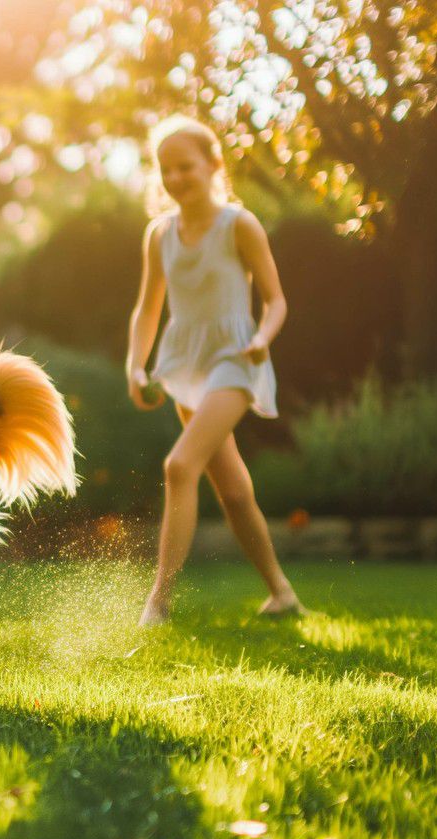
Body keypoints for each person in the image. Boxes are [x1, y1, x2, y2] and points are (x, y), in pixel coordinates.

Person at [125, 116, 303, 626]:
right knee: (234, 491)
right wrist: (137, 368)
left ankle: (157, 603)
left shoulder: (238, 225)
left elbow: (275, 300)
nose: (176, 178)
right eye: (166, 169)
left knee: (180, 467)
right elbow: (147, 309)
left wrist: (262, 339)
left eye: (185, 166)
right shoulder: (159, 233)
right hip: (185, 364)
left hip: (236, 360)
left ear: (213, 164)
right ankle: (282, 593)